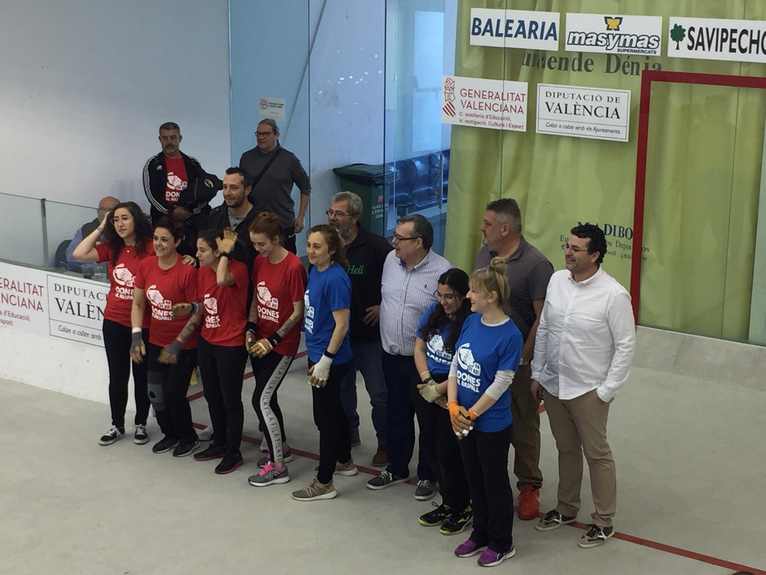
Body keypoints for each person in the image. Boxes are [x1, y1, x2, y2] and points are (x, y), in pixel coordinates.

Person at [532, 223, 635, 549]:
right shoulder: (556, 281)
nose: (568, 252)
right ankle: (566, 508)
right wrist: (538, 372)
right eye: (567, 245)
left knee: (597, 455)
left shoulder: (614, 295)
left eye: (576, 249)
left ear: (595, 255)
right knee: (566, 449)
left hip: (589, 389)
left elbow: (626, 346)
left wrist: (606, 390)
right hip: (554, 383)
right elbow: (545, 327)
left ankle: (603, 521)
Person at [474, 198, 553, 520]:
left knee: (523, 425)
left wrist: (524, 357)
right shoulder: (484, 254)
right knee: (484, 421)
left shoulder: (536, 265)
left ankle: (529, 486)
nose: (482, 228)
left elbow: (542, 318)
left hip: (518, 365)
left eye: (488, 224)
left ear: (505, 228)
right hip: (484, 359)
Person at [367, 214, 451, 501]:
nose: (394, 242)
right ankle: (397, 466)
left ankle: (428, 474)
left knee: (428, 420)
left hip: (424, 362)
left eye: (400, 238)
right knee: (396, 414)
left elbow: (447, 317)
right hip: (390, 354)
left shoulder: (442, 271)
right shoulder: (391, 260)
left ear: (419, 242)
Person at [449, 258, 523, 568]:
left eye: (473, 292)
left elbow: (502, 382)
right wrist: (453, 407)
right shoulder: (470, 322)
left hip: (490, 423)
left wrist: (471, 414)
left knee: (494, 482)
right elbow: (456, 364)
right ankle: (479, 533)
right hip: (462, 418)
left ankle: (501, 541)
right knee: (473, 478)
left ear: (491, 296)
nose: (468, 297)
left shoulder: (511, 335)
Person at [72, 201, 153, 446]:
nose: (120, 224)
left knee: (141, 376)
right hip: (114, 321)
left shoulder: (151, 248)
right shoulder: (112, 249)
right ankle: (117, 424)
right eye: (115, 220)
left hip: (144, 323)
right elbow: (78, 254)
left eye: (124, 218)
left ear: (136, 220)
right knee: (117, 376)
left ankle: (141, 423)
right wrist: (101, 227)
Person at [291, 225, 356, 501]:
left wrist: (326, 361)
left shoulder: (336, 279)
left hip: (330, 358)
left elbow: (342, 325)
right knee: (331, 412)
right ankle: (344, 459)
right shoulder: (315, 271)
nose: (311, 250)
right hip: (317, 353)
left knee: (325, 419)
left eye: (317, 246)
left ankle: (324, 482)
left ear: (331, 249)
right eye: (309, 245)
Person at [327, 191, 390, 466]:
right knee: (343, 391)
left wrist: (382, 306)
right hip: (339, 336)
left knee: (379, 393)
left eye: (338, 213)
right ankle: (349, 433)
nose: (332, 217)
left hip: (369, 337)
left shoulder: (377, 247)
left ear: (354, 217)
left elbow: (397, 282)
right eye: (330, 212)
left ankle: (385, 443)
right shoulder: (328, 246)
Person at [244, 212, 307, 487]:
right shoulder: (259, 262)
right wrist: (250, 328)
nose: (258, 250)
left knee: (261, 399)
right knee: (269, 398)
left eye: (262, 244)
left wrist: (274, 339)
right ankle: (281, 447)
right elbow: (257, 300)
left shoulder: (293, 267)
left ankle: (278, 466)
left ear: (276, 239)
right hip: (260, 341)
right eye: (255, 244)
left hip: (283, 346)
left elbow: (297, 312)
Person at [130, 218, 201, 457]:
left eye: (165, 240)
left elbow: (197, 310)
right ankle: (169, 433)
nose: (159, 244)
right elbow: (138, 303)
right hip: (155, 342)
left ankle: (187, 436)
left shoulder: (187, 270)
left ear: (178, 242)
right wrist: (136, 336)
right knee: (155, 393)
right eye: (156, 239)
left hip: (182, 346)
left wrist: (178, 343)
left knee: (173, 393)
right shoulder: (146, 265)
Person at [181, 229, 250, 474]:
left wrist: (224, 254)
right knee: (211, 394)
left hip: (230, 343)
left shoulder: (237, 269)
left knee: (230, 399)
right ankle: (219, 442)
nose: (197, 255)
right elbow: (203, 303)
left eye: (202, 250)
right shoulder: (200, 271)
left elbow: (222, 280)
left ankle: (234, 451)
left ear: (217, 251)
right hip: (207, 340)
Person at [414, 268, 473, 536]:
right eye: (441, 295)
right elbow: (419, 346)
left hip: (454, 388)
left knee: (453, 452)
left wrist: (439, 390)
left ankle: (463, 505)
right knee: (434, 446)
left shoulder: (470, 323)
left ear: (463, 296)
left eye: (450, 296)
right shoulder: (434, 313)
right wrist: (427, 380)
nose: (444, 301)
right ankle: (448, 502)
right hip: (431, 384)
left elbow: (463, 367)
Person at [143, 122, 222, 255]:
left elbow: (205, 189)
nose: (169, 142)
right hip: (164, 222)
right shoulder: (152, 164)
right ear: (160, 139)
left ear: (180, 138)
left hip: (191, 223)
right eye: (165, 138)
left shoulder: (192, 163)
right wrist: (171, 212)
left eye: (173, 137)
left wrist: (191, 211)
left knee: (191, 258)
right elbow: (150, 194)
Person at [239, 119, 310, 253]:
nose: (261, 137)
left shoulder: (289, 160)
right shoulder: (246, 158)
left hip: (283, 222)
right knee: (257, 265)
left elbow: (305, 188)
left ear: (276, 135)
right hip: (255, 222)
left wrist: (301, 216)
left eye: (265, 133)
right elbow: (242, 188)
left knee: (285, 263)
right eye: (258, 134)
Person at [205, 167, 257, 267]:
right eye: (225, 187)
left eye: (234, 188)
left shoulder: (260, 220)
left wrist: (236, 248)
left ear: (247, 190)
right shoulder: (214, 217)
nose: (227, 193)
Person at [65, 196, 120, 276]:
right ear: (97, 211)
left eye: (110, 210)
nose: (105, 213)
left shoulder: (123, 231)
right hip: (88, 276)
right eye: (102, 209)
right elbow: (71, 256)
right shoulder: (86, 229)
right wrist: (94, 266)